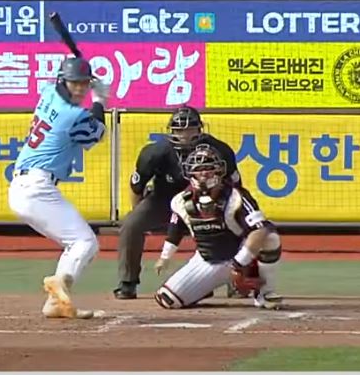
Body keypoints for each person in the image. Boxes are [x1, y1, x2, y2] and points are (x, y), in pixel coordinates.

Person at [8, 56, 109, 319]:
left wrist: (89, 90)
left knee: (76, 243)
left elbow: (77, 109)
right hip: (36, 188)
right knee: (85, 242)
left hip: (25, 186)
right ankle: (59, 284)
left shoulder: (48, 93)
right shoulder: (71, 115)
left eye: (84, 83)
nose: (80, 88)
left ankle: (56, 303)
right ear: (62, 81)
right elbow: (98, 133)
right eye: (75, 83)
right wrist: (100, 101)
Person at [113, 106, 241, 300]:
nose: (184, 135)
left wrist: (226, 211)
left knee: (235, 225)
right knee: (131, 224)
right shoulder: (155, 153)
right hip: (164, 198)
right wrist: (138, 212)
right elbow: (137, 187)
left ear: (200, 129)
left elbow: (235, 185)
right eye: (179, 130)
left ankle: (236, 279)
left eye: (190, 129)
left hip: (207, 200)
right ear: (171, 131)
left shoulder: (220, 150)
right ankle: (127, 282)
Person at [152, 144, 283, 310]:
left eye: (208, 168)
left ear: (219, 170)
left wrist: (239, 264)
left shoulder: (235, 196)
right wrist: (165, 257)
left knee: (270, 237)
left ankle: (265, 291)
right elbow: (175, 229)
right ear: (190, 172)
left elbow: (260, 230)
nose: (204, 173)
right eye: (199, 169)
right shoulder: (180, 201)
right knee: (168, 299)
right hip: (208, 259)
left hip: (239, 255)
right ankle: (204, 287)